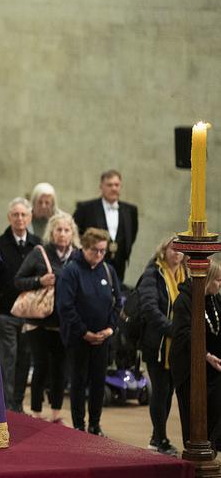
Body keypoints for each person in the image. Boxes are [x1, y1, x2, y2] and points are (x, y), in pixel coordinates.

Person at [14, 212, 79, 424]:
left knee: (60, 368)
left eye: (66, 230)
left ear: (72, 233)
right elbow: (19, 281)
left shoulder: (77, 256)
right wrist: (39, 280)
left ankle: (56, 412)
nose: (62, 234)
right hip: (39, 321)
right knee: (41, 365)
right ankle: (35, 411)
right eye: (58, 230)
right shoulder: (39, 252)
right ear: (51, 232)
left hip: (63, 322)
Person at [56, 227, 120, 436]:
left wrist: (109, 329)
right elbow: (65, 307)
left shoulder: (108, 271)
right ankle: (78, 426)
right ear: (84, 247)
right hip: (78, 339)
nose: (99, 255)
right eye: (95, 250)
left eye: (103, 251)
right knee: (78, 382)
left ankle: (95, 425)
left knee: (98, 383)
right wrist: (84, 332)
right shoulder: (71, 271)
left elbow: (117, 304)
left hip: (102, 339)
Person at [137, 237, 187, 455]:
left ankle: (158, 438)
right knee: (160, 391)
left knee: (169, 393)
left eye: (181, 250)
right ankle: (160, 438)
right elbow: (149, 307)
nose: (177, 253)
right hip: (157, 344)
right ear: (164, 250)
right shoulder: (153, 273)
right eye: (173, 248)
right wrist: (173, 329)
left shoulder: (186, 274)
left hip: (178, 346)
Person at [0, 197, 41, 413]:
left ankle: (18, 405)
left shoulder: (37, 246)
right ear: (9, 218)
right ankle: (6, 407)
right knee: (7, 361)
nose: (20, 218)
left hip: (30, 314)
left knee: (25, 360)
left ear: (30, 217)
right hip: (5, 312)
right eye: (16, 215)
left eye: (24, 215)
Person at [170, 254, 221, 452]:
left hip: (212, 367)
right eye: (218, 280)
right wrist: (205, 355)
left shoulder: (215, 299)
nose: (220, 284)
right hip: (189, 368)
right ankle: (195, 452)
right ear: (208, 281)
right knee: (193, 415)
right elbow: (185, 335)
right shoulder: (185, 300)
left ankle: (211, 445)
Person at [73, 170, 138, 283]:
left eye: (116, 185)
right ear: (101, 187)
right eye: (109, 185)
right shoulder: (86, 208)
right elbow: (75, 233)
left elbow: (132, 234)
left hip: (119, 264)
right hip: (91, 263)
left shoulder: (130, 210)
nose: (113, 188)